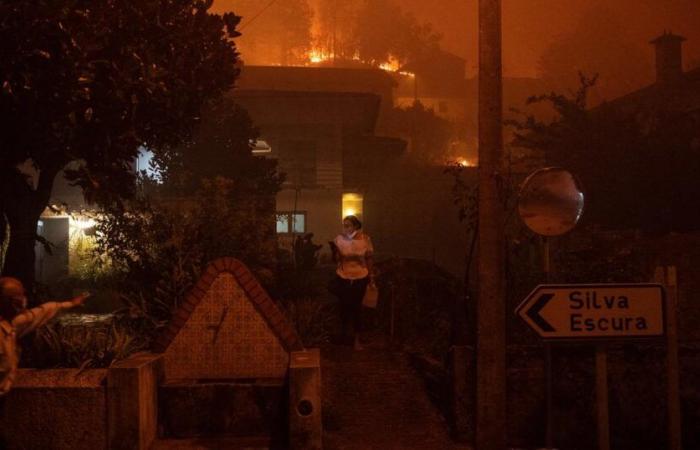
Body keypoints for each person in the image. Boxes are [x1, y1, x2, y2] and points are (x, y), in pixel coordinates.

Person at [0, 277, 90, 395]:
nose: (24, 300)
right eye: (20, 296)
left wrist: (71, 304)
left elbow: (42, 312)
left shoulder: (12, 324)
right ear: (12, 302)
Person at [330, 215, 374, 350]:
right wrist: (335, 253)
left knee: (356, 307)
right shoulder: (339, 239)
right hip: (343, 276)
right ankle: (343, 335)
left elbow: (369, 259)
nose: (345, 228)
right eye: (344, 225)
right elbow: (336, 260)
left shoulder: (365, 240)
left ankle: (356, 339)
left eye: (348, 225)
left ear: (355, 226)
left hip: (360, 276)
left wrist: (371, 276)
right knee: (344, 306)